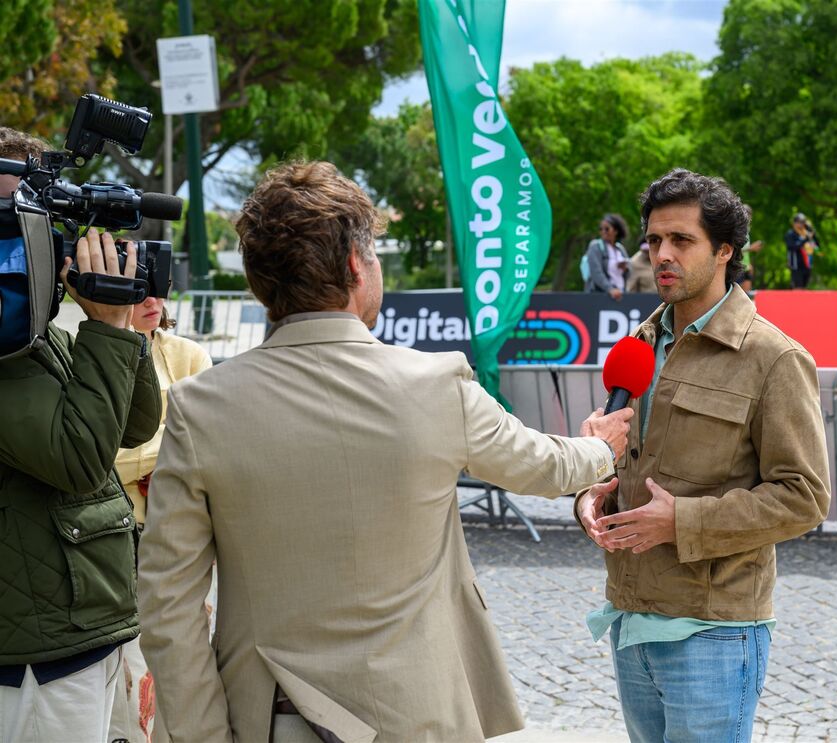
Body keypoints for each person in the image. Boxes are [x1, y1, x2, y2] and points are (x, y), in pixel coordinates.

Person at [137, 161, 633, 743]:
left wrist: (206, 736)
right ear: (355, 265)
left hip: (269, 717)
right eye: (374, 257)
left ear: (258, 281)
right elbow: (541, 465)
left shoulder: (200, 407)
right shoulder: (435, 383)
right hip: (416, 714)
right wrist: (600, 449)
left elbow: (168, 605)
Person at [575, 169, 831, 742]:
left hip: (714, 632)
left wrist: (682, 522)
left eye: (681, 240)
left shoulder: (774, 358)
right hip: (629, 617)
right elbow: (626, 461)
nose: (662, 254)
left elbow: (805, 497)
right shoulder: (637, 346)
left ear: (724, 251)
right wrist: (591, 490)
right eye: (653, 241)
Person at [0, 128, 161, 741]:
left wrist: (118, 321)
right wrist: (110, 329)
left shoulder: (43, 338)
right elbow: (77, 457)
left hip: (82, 633)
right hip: (38, 660)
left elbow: (135, 424)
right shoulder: (8, 352)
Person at [109, 297, 211, 743]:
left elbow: (208, 444)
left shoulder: (189, 354)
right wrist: (171, 450)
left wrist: (151, 460)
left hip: (183, 533)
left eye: (156, 287)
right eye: (135, 293)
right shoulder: (88, 357)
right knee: (131, 671)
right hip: (120, 536)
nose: (151, 301)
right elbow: (97, 459)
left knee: (189, 659)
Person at [584, 213, 630, 300]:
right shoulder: (595, 246)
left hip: (620, 294)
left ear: (616, 231)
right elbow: (596, 272)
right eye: (600, 229)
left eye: (607, 229)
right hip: (600, 295)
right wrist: (610, 289)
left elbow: (629, 273)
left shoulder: (620, 249)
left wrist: (625, 268)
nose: (603, 231)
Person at [784, 212, 818, 290]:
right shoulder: (790, 234)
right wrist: (805, 239)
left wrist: (812, 232)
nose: (801, 225)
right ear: (794, 223)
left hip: (807, 265)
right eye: (799, 222)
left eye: (803, 222)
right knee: (797, 288)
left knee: (803, 288)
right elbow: (792, 246)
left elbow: (816, 245)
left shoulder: (806, 233)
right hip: (796, 266)